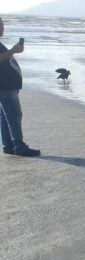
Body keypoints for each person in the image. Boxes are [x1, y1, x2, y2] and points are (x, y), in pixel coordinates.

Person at [0, 16, 40, 157]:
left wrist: (13, 51)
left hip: (6, 85)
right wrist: (12, 51)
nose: (2, 27)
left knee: (6, 116)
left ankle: (8, 145)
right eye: (0, 25)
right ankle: (19, 146)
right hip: (5, 86)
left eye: (2, 24)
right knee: (14, 115)